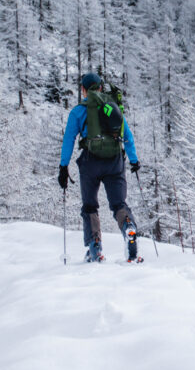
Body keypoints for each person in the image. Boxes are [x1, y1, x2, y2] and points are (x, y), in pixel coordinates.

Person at [57, 72, 143, 263]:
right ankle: (128, 226)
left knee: (90, 205)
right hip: (115, 161)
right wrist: (134, 160)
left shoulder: (79, 111)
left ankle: (95, 245)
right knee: (119, 203)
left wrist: (63, 167)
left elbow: (68, 140)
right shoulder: (112, 107)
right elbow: (127, 135)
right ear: (101, 88)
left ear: (84, 90)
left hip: (90, 162)